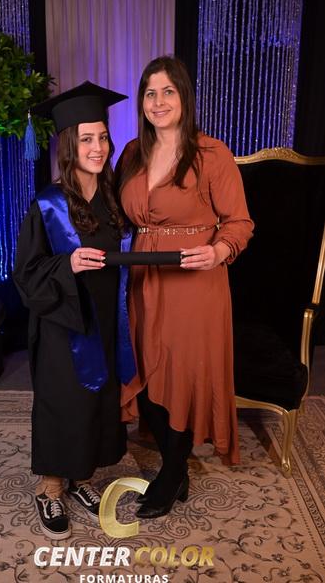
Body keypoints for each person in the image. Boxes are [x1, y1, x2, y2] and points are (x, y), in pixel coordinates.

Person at [116, 56, 254, 519]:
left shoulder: (212, 154)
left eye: (168, 92)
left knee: (179, 373)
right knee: (146, 369)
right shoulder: (131, 153)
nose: (158, 102)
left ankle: (172, 472)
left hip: (194, 282)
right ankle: (176, 468)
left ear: (184, 96)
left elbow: (240, 222)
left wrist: (218, 251)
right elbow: (115, 214)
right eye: (150, 93)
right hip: (143, 278)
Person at [13, 81, 135, 539]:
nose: (98, 147)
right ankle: (49, 487)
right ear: (69, 144)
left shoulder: (113, 197)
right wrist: (68, 264)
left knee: (96, 402)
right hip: (63, 322)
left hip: (105, 317)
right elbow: (26, 273)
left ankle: (81, 477)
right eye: (87, 139)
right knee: (65, 401)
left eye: (102, 137)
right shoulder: (48, 204)